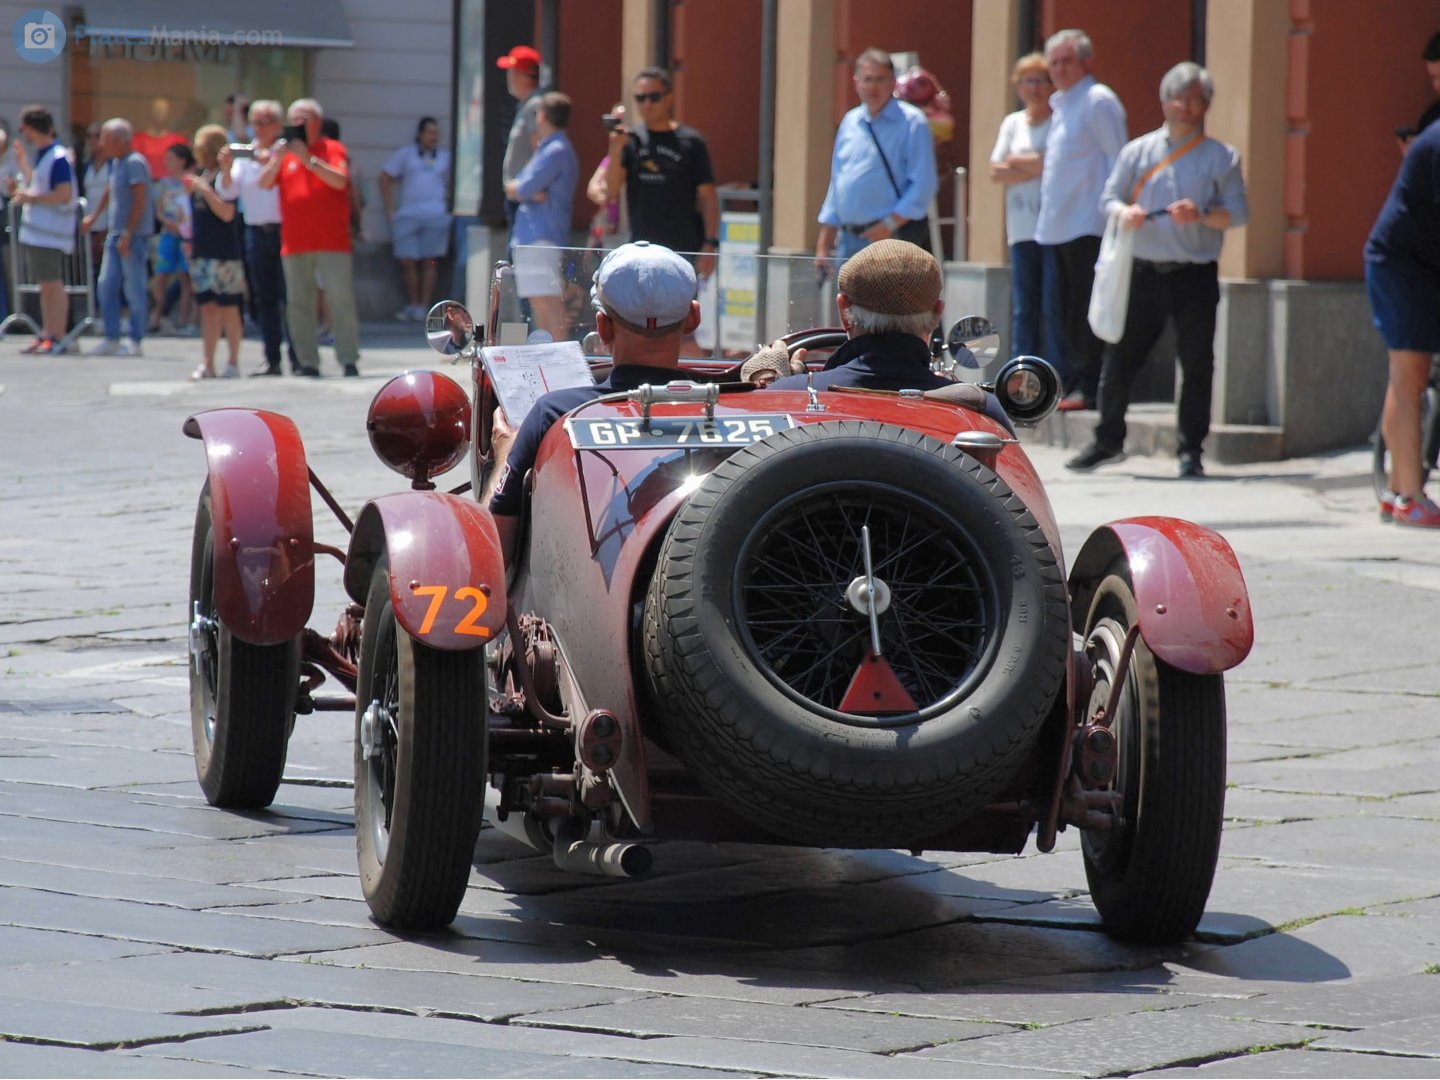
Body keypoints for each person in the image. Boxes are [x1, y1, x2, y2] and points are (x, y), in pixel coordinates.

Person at [1065, 62, 1248, 480]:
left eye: (1195, 99)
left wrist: (1201, 214)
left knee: (1197, 363)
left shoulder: (1222, 156)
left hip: (1195, 275)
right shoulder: (1139, 151)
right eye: (1178, 98)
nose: (1186, 107)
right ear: (1164, 101)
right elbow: (1107, 198)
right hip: (1143, 272)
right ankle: (1108, 440)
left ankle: (1191, 450)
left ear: (1206, 106)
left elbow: (1238, 213)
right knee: (1120, 358)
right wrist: (1124, 212)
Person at [484, 241, 701, 565]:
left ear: (602, 326)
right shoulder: (733, 404)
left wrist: (504, 452)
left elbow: (493, 551)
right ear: (692, 318)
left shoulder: (554, 413)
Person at [765, 238, 1015, 435]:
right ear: (937, 314)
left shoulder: (785, 397)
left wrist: (773, 383)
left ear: (843, 310)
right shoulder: (980, 408)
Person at [1033, 29, 1127, 411]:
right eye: (1053, 62)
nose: (1059, 69)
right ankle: (1073, 381)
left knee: (1087, 309)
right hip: (1058, 226)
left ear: (1086, 62)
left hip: (1089, 223)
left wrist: (1111, 212)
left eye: (1066, 61)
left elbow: (1118, 158)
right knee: (1066, 310)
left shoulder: (1097, 100)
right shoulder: (1062, 104)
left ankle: (1089, 386)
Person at [1367, 120, 1440, 526]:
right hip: (1400, 265)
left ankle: (1396, 490)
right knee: (1409, 372)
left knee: (1406, 375)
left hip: (1421, 265)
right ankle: (1411, 498)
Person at [257, 98, 359, 377]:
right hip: (295, 241)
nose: (300, 123)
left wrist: (308, 160)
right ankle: (307, 361)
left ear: (318, 122)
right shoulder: (284, 154)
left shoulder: (332, 148)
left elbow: (340, 180)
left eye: (306, 117)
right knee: (299, 304)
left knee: (340, 300)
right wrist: (277, 159)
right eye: (296, 118)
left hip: (332, 241)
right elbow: (263, 183)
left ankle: (348, 358)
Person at [814, 48, 937, 274]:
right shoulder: (850, 121)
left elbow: (924, 184)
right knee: (848, 308)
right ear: (856, 82)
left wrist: (888, 226)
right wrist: (824, 243)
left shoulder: (912, 122)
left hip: (891, 239)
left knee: (888, 307)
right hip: (848, 241)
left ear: (892, 82)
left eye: (880, 79)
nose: (873, 87)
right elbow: (838, 183)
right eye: (867, 79)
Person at [989, 52, 1066, 374]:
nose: (1035, 88)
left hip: (1053, 227)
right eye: (1028, 81)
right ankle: (1021, 372)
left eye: (1041, 80)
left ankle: (1054, 371)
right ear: (1018, 86)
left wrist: (1018, 163)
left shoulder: (1059, 122)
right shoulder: (1013, 123)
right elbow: (995, 170)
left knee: (1053, 304)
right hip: (1020, 228)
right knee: (1024, 306)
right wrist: (1034, 164)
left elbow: (1055, 165)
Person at [603, 67, 719, 276]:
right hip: (640, 250)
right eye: (640, 98)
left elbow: (707, 197)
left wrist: (710, 244)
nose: (647, 104)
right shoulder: (629, 140)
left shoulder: (692, 142)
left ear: (668, 99)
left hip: (683, 251)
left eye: (654, 97)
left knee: (680, 309)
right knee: (639, 308)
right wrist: (615, 149)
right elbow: (611, 191)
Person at [217, 99, 297, 376]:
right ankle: (271, 358)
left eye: (266, 123)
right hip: (254, 231)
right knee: (264, 299)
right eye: (256, 123)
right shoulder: (247, 155)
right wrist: (226, 167)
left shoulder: (287, 151)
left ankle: (298, 358)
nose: (260, 129)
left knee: (290, 299)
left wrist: (275, 158)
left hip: (285, 230)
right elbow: (228, 193)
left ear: (278, 125)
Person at [504, 92, 579, 343]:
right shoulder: (548, 147)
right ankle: (550, 360)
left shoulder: (555, 149)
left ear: (543, 115)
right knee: (540, 304)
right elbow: (525, 188)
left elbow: (520, 188)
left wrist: (524, 189)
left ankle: (560, 361)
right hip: (535, 238)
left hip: (541, 238)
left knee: (548, 305)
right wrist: (527, 190)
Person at [81, 118, 153, 357]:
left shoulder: (135, 163)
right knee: (106, 286)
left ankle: (135, 339)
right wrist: (94, 216)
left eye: (104, 138)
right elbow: (109, 190)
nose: (101, 143)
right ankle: (112, 338)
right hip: (115, 234)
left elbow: (140, 200)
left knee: (134, 289)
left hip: (133, 236)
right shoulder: (116, 162)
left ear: (117, 140)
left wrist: (128, 233)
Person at [10, 105, 76, 355]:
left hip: (51, 232)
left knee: (52, 284)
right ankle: (48, 332)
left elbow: (63, 193)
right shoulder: (45, 154)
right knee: (45, 285)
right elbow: (40, 184)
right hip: (41, 232)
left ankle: (57, 335)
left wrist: (31, 198)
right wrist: (24, 166)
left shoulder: (57, 156)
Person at [184, 125, 245, 380]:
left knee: (229, 307)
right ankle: (207, 363)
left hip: (224, 253)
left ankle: (232, 362)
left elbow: (227, 213)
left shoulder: (224, 176)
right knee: (207, 308)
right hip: (202, 252)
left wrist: (204, 190)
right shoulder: (203, 174)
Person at [381, 116, 453, 322]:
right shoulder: (406, 154)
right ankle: (413, 303)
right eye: (430, 133)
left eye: (436, 133)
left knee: (430, 261)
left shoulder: (446, 157)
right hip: (408, 215)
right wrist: (389, 209)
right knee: (407, 261)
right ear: (420, 134)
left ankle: (424, 305)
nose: (434, 137)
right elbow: (385, 176)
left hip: (436, 215)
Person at [498, 44, 544, 246]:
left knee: (518, 261)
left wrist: (530, 187)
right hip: (519, 196)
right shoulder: (526, 104)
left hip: (526, 200)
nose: (509, 77)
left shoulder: (535, 105)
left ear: (523, 75)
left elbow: (539, 147)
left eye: (512, 71)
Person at [149, 142, 194, 336]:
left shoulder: (191, 182)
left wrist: (182, 226)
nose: (167, 162)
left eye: (171, 159)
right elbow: (158, 210)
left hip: (186, 236)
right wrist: (168, 222)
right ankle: (158, 315)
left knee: (186, 277)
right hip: (168, 233)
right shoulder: (163, 184)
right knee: (161, 276)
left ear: (182, 161)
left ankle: (183, 320)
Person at [79, 123, 109, 289]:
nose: (92, 140)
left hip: (108, 223)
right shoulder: (86, 164)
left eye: (97, 135)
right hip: (90, 224)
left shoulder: (114, 164)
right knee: (93, 269)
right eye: (88, 136)